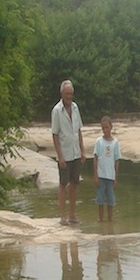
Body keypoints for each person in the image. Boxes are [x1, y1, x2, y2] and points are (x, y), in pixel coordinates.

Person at [52, 80, 86, 225]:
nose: (69, 96)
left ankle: (72, 215)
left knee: (74, 184)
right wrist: (60, 156)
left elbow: (78, 130)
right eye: (66, 94)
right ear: (61, 93)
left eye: (71, 94)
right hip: (64, 153)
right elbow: (54, 134)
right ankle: (63, 216)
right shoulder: (56, 111)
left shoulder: (76, 107)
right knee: (63, 184)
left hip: (75, 152)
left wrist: (82, 150)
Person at [93, 116, 122, 222]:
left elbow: (116, 160)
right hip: (101, 176)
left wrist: (115, 177)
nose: (105, 130)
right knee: (100, 200)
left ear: (111, 127)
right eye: (103, 128)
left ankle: (110, 220)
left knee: (110, 201)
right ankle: (100, 219)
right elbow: (95, 158)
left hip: (110, 176)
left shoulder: (115, 143)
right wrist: (95, 175)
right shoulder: (99, 142)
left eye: (107, 127)